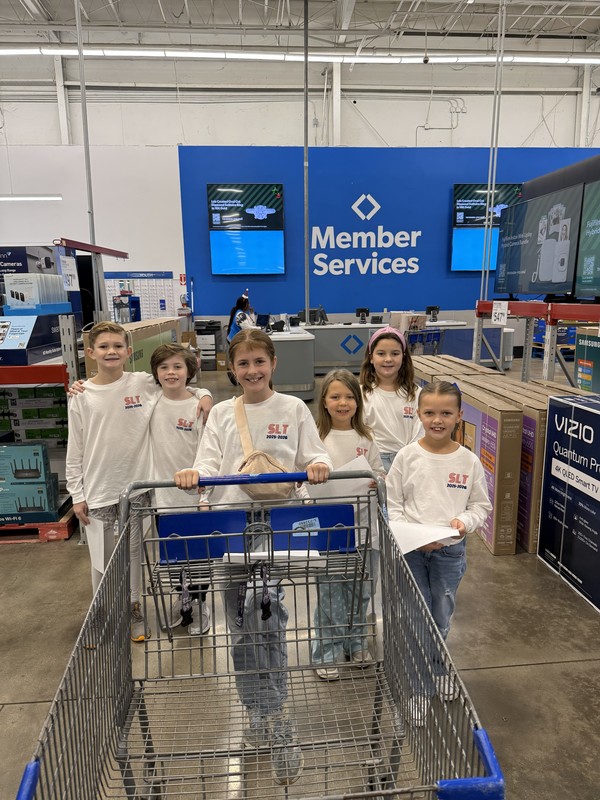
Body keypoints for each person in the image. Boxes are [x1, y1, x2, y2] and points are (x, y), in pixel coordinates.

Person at [175, 329, 331, 786]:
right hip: (229, 529)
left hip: (277, 527)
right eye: (243, 364)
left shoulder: (294, 409)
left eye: (259, 362)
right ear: (231, 368)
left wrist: (318, 465)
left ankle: (277, 717)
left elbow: (314, 454)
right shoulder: (223, 413)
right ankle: (257, 713)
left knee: (269, 620)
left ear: (274, 363)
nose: (252, 371)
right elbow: (207, 462)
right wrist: (193, 476)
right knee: (240, 627)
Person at [66, 322, 211, 643]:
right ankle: (99, 613)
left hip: (138, 491)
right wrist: (76, 493)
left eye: (118, 346)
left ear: (128, 352)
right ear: (91, 353)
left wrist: (205, 392)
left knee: (133, 556)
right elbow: (74, 448)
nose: (111, 352)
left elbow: (179, 381)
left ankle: (134, 608)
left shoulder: (144, 383)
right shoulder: (81, 395)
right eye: (103, 347)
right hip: (99, 490)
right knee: (100, 561)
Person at [386, 381, 492, 725]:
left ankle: (439, 667)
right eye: (429, 412)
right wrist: (412, 535)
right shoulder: (407, 457)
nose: (437, 420)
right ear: (418, 414)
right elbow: (394, 504)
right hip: (413, 552)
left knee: (441, 616)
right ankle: (418, 688)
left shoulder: (469, 461)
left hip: (450, 554)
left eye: (446, 413)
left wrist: (463, 521)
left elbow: (480, 505)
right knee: (417, 619)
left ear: (459, 416)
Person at [311, 369, 385, 681]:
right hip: (329, 532)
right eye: (336, 396)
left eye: (350, 397)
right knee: (330, 594)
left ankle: (355, 644)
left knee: (360, 592)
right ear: (324, 402)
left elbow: (381, 475)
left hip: (364, 531)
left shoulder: (366, 439)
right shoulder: (316, 439)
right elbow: (302, 482)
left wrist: (376, 482)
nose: (343, 403)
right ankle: (327, 650)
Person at [149, 343, 213, 635]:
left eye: (177, 367)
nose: (171, 373)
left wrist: (205, 495)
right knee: (173, 556)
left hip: (196, 496)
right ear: (155, 373)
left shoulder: (199, 406)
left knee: (199, 556)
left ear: (190, 371)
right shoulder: (150, 402)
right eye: (164, 367)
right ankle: (183, 599)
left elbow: (208, 452)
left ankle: (201, 603)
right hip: (164, 498)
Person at [360, 325, 423, 473]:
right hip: (374, 462)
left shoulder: (416, 394)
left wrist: (407, 458)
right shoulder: (360, 393)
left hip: (409, 460)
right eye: (381, 353)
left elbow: (421, 432)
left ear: (404, 357)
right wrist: (375, 465)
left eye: (395, 353)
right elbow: (360, 431)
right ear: (371, 357)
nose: (388, 359)